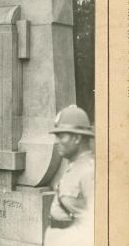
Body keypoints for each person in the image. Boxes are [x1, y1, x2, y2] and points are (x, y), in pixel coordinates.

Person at [44, 105, 94, 246]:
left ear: (77, 138)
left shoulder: (89, 171)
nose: (57, 142)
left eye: (61, 136)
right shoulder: (74, 166)